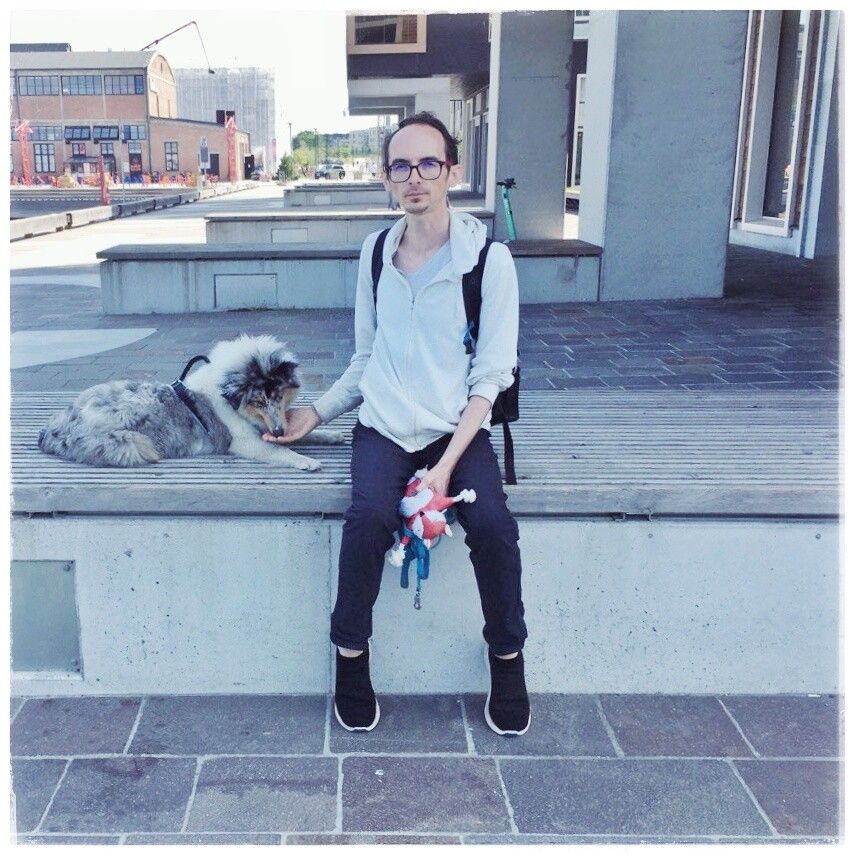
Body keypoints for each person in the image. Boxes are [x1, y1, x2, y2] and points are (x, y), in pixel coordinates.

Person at [263, 111, 530, 737]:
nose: (415, 177)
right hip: (383, 425)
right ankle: (350, 655)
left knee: (493, 526)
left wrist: (443, 470)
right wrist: (315, 413)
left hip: (456, 431)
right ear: (386, 178)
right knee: (368, 521)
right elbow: (367, 357)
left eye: (428, 163)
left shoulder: (488, 262)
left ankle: (507, 657)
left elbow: (490, 378)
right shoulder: (376, 253)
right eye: (401, 166)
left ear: (452, 173)